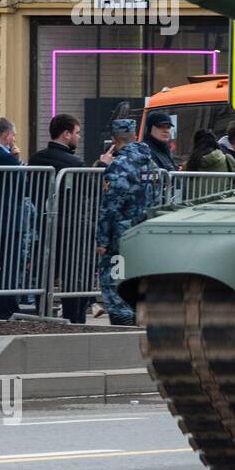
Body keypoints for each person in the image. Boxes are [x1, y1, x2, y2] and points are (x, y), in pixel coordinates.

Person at [95, 119, 158, 326]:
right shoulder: (150, 162)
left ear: (114, 140)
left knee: (113, 275)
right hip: (143, 230)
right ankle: (135, 312)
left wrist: (102, 239)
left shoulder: (119, 166)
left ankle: (121, 314)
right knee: (134, 273)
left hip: (120, 233)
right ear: (134, 136)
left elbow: (111, 204)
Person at [28, 114, 88, 324]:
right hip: (70, 227)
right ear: (66, 134)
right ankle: (74, 318)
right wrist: (102, 164)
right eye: (77, 133)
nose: (78, 138)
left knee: (44, 271)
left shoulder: (35, 159)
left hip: (42, 224)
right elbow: (89, 192)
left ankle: (42, 312)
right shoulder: (74, 163)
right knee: (71, 274)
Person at [0, 117, 24, 319]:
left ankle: (6, 303)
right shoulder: (8, 159)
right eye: (14, 135)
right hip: (9, 218)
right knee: (10, 263)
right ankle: (6, 305)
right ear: (7, 136)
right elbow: (22, 188)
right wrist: (17, 161)